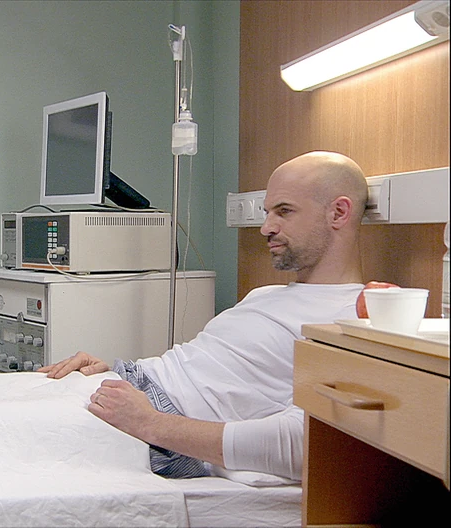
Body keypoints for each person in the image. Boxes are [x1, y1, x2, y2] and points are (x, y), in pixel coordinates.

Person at [40, 151, 369, 480]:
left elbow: (305, 443)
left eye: (284, 211)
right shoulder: (265, 294)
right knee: (17, 399)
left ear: (338, 213)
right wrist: (113, 372)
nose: (266, 228)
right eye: (267, 212)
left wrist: (149, 422)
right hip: (134, 386)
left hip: (162, 432)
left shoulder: (350, 323)